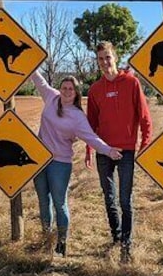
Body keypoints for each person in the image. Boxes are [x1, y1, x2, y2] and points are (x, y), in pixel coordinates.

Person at [30, 70, 122, 256]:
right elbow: (39, 81)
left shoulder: (78, 116)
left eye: (70, 89)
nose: (66, 91)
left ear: (76, 93)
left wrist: (109, 150)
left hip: (60, 163)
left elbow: (92, 138)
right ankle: (46, 238)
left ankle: (61, 242)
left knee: (59, 202)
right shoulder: (51, 97)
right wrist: (30, 64)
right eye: (64, 87)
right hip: (39, 161)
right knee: (42, 200)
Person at [85, 41, 153, 263]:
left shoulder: (131, 83)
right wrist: (89, 149)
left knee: (125, 199)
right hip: (104, 151)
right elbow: (90, 125)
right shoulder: (95, 90)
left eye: (108, 57)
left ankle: (127, 242)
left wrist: (144, 145)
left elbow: (144, 117)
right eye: (100, 59)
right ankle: (116, 237)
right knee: (109, 198)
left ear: (115, 58)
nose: (105, 62)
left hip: (126, 152)